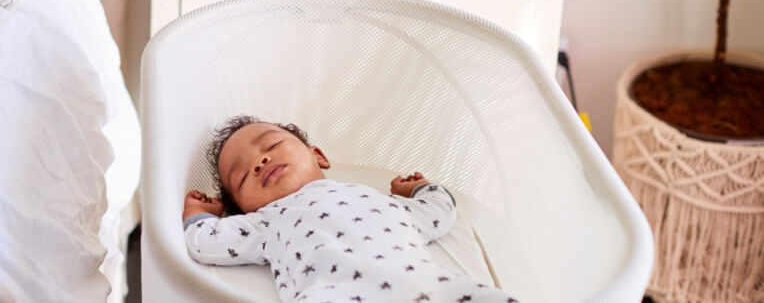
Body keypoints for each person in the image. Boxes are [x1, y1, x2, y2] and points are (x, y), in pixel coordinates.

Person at [183, 116, 518, 303]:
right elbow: (204, 242)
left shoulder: (378, 199)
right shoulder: (265, 222)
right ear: (242, 210)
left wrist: (418, 189)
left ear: (318, 155)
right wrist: (200, 213)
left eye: (272, 145)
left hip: (424, 285)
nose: (260, 161)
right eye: (242, 176)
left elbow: (439, 212)